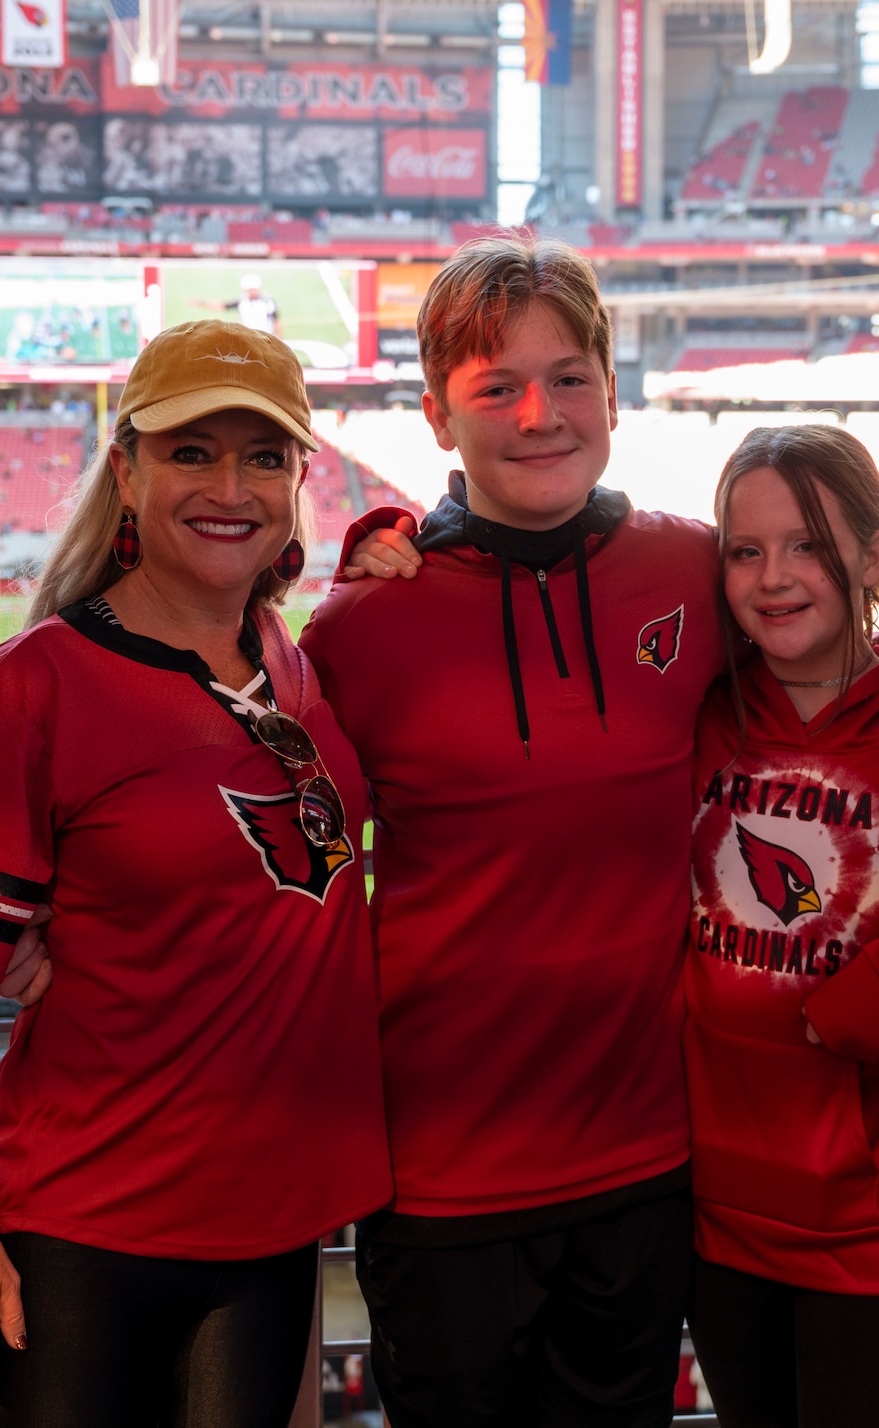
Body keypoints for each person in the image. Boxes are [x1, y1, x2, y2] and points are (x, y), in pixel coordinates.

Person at [0, 320, 391, 1425]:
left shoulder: (288, 660)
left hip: (267, 1223)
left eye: (263, 456)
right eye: (189, 451)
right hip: (84, 1230)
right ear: (126, 471)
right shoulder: (30, 689)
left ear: (300, 479)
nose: (230, 485)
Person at [299, 235, 723, 1427]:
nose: (541, 414)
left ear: (612, 392)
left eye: (569, 378)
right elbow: (274, 869)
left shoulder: (695, 573)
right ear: (437, 415)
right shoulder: (359, 628)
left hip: (645, 1159)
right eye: (497, 387)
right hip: (440, 1174)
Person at [685, 424, 879, 1428]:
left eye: (805, 543)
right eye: (745, 551)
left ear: (874, 553)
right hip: (717, 1211)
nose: (772, 578)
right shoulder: (696, 706)